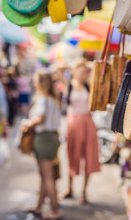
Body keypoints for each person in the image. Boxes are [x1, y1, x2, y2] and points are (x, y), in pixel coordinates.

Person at [60, 60, 100, 204]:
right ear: (74, 71)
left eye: (86, 72)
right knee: (72, 155)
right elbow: (59, 67)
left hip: (88, 122)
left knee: (89, 157)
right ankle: (69, 189)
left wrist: (87, 67)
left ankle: (84, 192)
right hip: (73, 123)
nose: (84, 74)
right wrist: (74, 67)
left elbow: (96, 69)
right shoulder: (68, 85)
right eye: (81, 71)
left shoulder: (89, 85)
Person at [24, 70, 62, 220]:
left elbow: (39, 118)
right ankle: (39, 207)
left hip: (44, 138)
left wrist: (27, 124)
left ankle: (55, 210)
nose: (34, 83)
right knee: (45, 176)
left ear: (42, 83)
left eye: (36, 80)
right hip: (51, 137)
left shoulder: (44, 99)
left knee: (47, 177)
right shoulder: (53, 98)